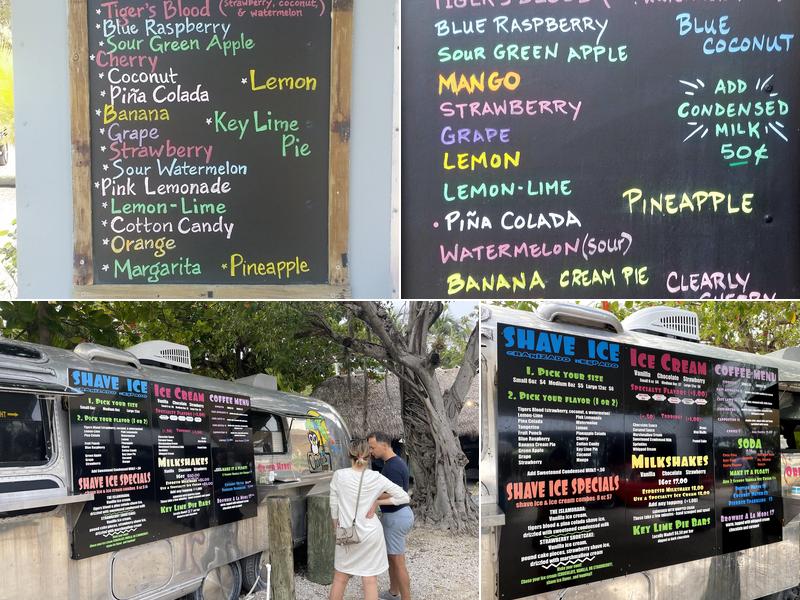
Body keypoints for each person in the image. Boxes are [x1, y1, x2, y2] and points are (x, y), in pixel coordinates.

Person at [329, 438, 410, 600]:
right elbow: (404, 497)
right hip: (371, 534)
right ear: (368, 456)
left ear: (349, 455)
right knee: (370, 580)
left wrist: (335, 527)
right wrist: (378, 501)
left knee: (340, 578)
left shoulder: (339, 476)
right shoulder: (376, 478)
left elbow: (334, 506)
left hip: (347, 532)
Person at [367, 432, 413, 600]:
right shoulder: (393, 463)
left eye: (372, 447)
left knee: (398, 561)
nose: (371, 451)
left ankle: (406, 597)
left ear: (384, 445)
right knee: (392, 558)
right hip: (397, 516)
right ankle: (394, 592)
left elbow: (396, 492)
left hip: (396, 517)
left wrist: (373, 498)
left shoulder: (392, 466)